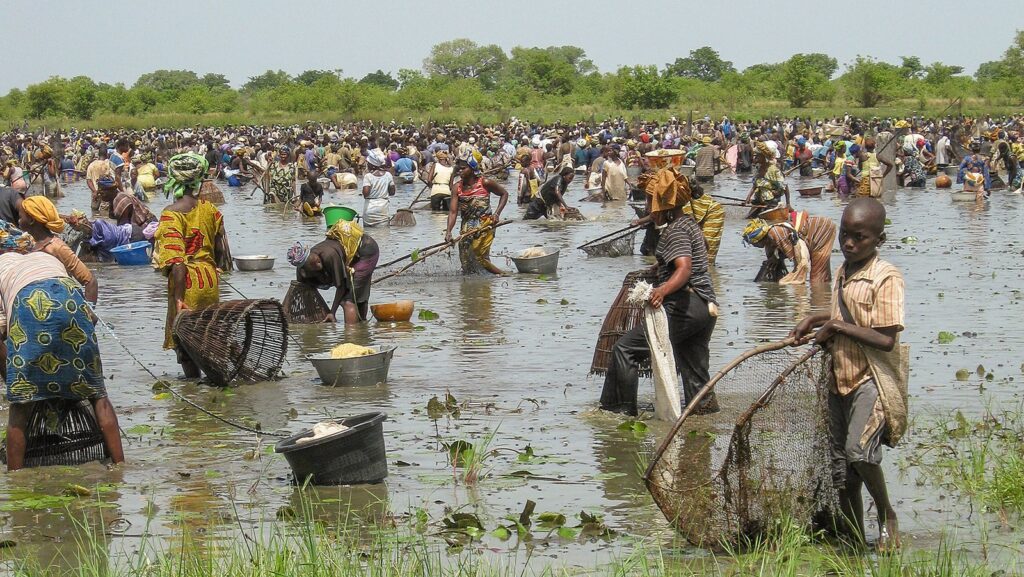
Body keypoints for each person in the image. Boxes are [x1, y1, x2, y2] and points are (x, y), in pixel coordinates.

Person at [790, 198, 907, 551]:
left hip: (870, 379)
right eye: (845, 235)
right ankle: (853, 542)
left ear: (878, 239)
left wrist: (837, 326)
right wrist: (816, 318)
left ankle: (887, 514)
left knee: (859, 452)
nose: (850, 243)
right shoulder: (844, 271)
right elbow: (841, 314)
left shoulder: (885, 276)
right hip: (840, 376)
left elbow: (885, 338)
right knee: (842, 470)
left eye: (860, 237)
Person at [601, 169, 719, 416]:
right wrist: (659, 268)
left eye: (649, 200)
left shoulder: (675, 229)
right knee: (692, 362)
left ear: (664, 204)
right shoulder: (689, 224)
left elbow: (685, 268)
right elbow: (692, 260)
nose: (647, 207)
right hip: (704, 306)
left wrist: (662, 290)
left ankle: (619, 411)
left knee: (625, 348)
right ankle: (704, 414)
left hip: (684, 305)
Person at [0, 242, 124, 471]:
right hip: (69, 298)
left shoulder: (1, 267)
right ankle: (120, 465)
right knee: (98, 395)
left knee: (19, 407)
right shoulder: (44, 256)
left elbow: (2, 335)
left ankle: (15, 476)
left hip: (27, 301)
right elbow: (85, 315)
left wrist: (15, 383)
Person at [152, 153, 232, 379]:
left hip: (187, 283)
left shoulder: (171, 214)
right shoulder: (211, 210)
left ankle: (194, 384)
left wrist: (178, 299)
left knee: (184, 340)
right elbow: (222, 253)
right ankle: (214, 380)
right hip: (209, 278)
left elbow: (177, 262)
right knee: (206, 334)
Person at [288, 220, 379, 324]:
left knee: (347, 300)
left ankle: (352, 336)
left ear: (314, 253)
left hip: (366, 250)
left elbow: (342, 287)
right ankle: (362, 327)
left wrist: (332, 312)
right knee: (356, 294)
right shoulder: (301, 272)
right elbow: (305, 290)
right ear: (304, 269)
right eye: (313, 265)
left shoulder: (329, 255)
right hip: (351, 252)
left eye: (317, 260)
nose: (317, 263)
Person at [18, 196, 98, 303]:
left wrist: (90, 315)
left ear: (32, 220)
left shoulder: (57, 247)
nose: (18, 220)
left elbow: (90, 281)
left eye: (20, 217)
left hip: (60, 306)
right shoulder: (29, 244)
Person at [444, 158, 508, 275]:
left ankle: (504, 275)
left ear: (473, 169)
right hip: (466, 225)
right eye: (459, 169)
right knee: (465, 258)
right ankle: (472, 288)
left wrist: (497, 214)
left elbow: (504, 194)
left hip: (485, 224)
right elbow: (453, 212)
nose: (460, 171)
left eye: (464, 168)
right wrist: (448, 231)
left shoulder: (485, 183)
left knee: (480, 255)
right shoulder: (456, 188)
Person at [743, 212, 837, 285]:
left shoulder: (775, 233)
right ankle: (825, 286)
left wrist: (796, 278)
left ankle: (820, 298)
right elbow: (778, 263)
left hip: (820, 229)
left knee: (817, 275)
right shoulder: (769, 245)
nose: (752, 245)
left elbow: (797, 259)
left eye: (752, 243)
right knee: (821, 270)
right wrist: (775, 259)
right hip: (811, 233)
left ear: (758, 239)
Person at [745, 142, 791, 216]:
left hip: (771, 203)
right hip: (759, 200)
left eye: (758, 156)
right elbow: (755, 186)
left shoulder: (773, 170)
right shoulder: (759, 169)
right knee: (748, 218)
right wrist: (748, 198)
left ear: (764, 157)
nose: (755, 158)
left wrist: (788, 204)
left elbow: (785, 187)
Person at [361, 151, 395, 226]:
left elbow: (366, 194)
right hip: (383, 209)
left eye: (368, 163)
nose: (367, 165)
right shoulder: (388, 175)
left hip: (369, 210)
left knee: (368, 234)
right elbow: (392, 192)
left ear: (372, 165)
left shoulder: (368, 176)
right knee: (383, 234)